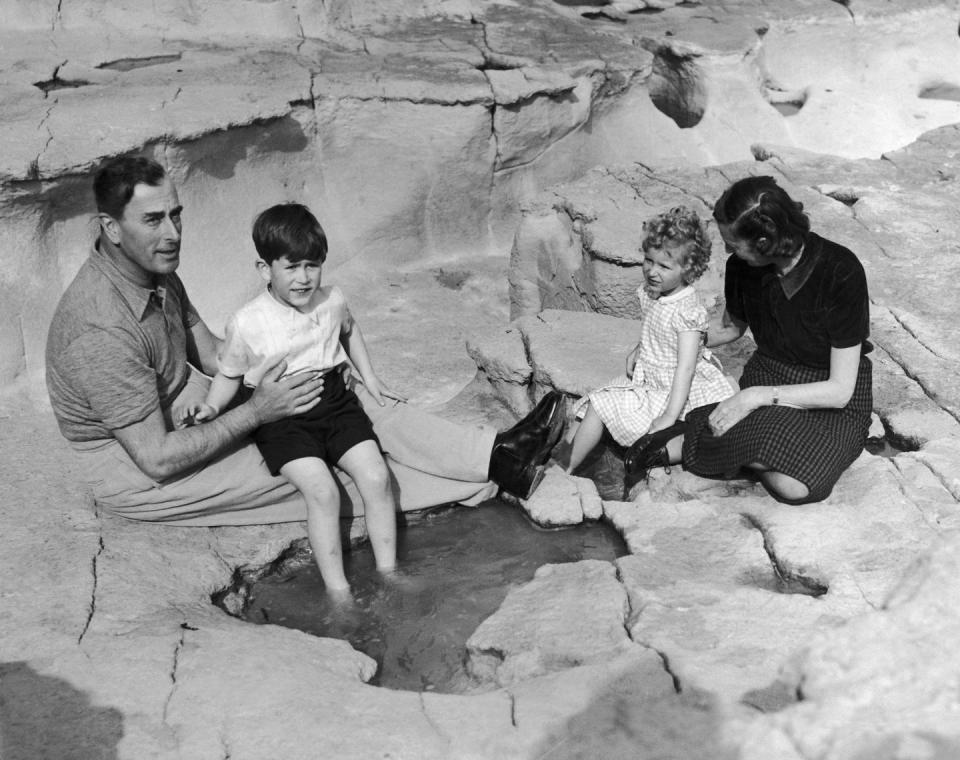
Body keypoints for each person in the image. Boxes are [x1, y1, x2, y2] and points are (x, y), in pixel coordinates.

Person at [45, 155, 565, 535]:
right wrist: (257, 413)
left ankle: (499, 454)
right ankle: (488, 480)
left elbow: (212, 353)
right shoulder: (99, 328)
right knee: (325, 474)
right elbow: (156, 459)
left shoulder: (156, 272)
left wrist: (297, 363)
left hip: (191, 417)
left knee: (338, 399)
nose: (173, 232)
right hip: (139, 471)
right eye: (153, 219)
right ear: (109, 228)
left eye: (176, 214)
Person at [180, 203, 400, 593]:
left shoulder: (332, 301)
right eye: (291, 266)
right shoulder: (248, 322)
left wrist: (370, 377)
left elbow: (350, 330)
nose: (303, 278)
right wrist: (212, 407)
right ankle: (339, 591)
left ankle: (389, 573)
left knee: (377, 476)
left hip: (334, 402)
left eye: (312, 266)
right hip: (281, 417)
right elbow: (229, 373)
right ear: (265, 269)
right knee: (322, 490)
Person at [624, 175, 872, 504]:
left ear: (764, 242)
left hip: (829, 393)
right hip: (771, 372)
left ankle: (708, 445)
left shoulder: (840, 270)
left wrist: (753, 397)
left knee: (798, 487)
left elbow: (840, 390)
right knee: (769, 442)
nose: (727, 250)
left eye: (733, 243)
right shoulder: (742, 268)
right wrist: (659, 339)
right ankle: (689, 446)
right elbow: (729, 328)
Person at [561, 207, 735, 474]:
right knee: (591, 404)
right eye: (648, 261)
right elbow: (657, 330)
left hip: (674, 391)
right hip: (650, 374)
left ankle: (565, 469)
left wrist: (667, 415)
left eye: (664, 266)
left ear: (689, 269)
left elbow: (685, 368)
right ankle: (557, 457)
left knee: (600, 406)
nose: (652, 271)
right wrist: (640, 347)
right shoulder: (652, 292)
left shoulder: (686, 311)